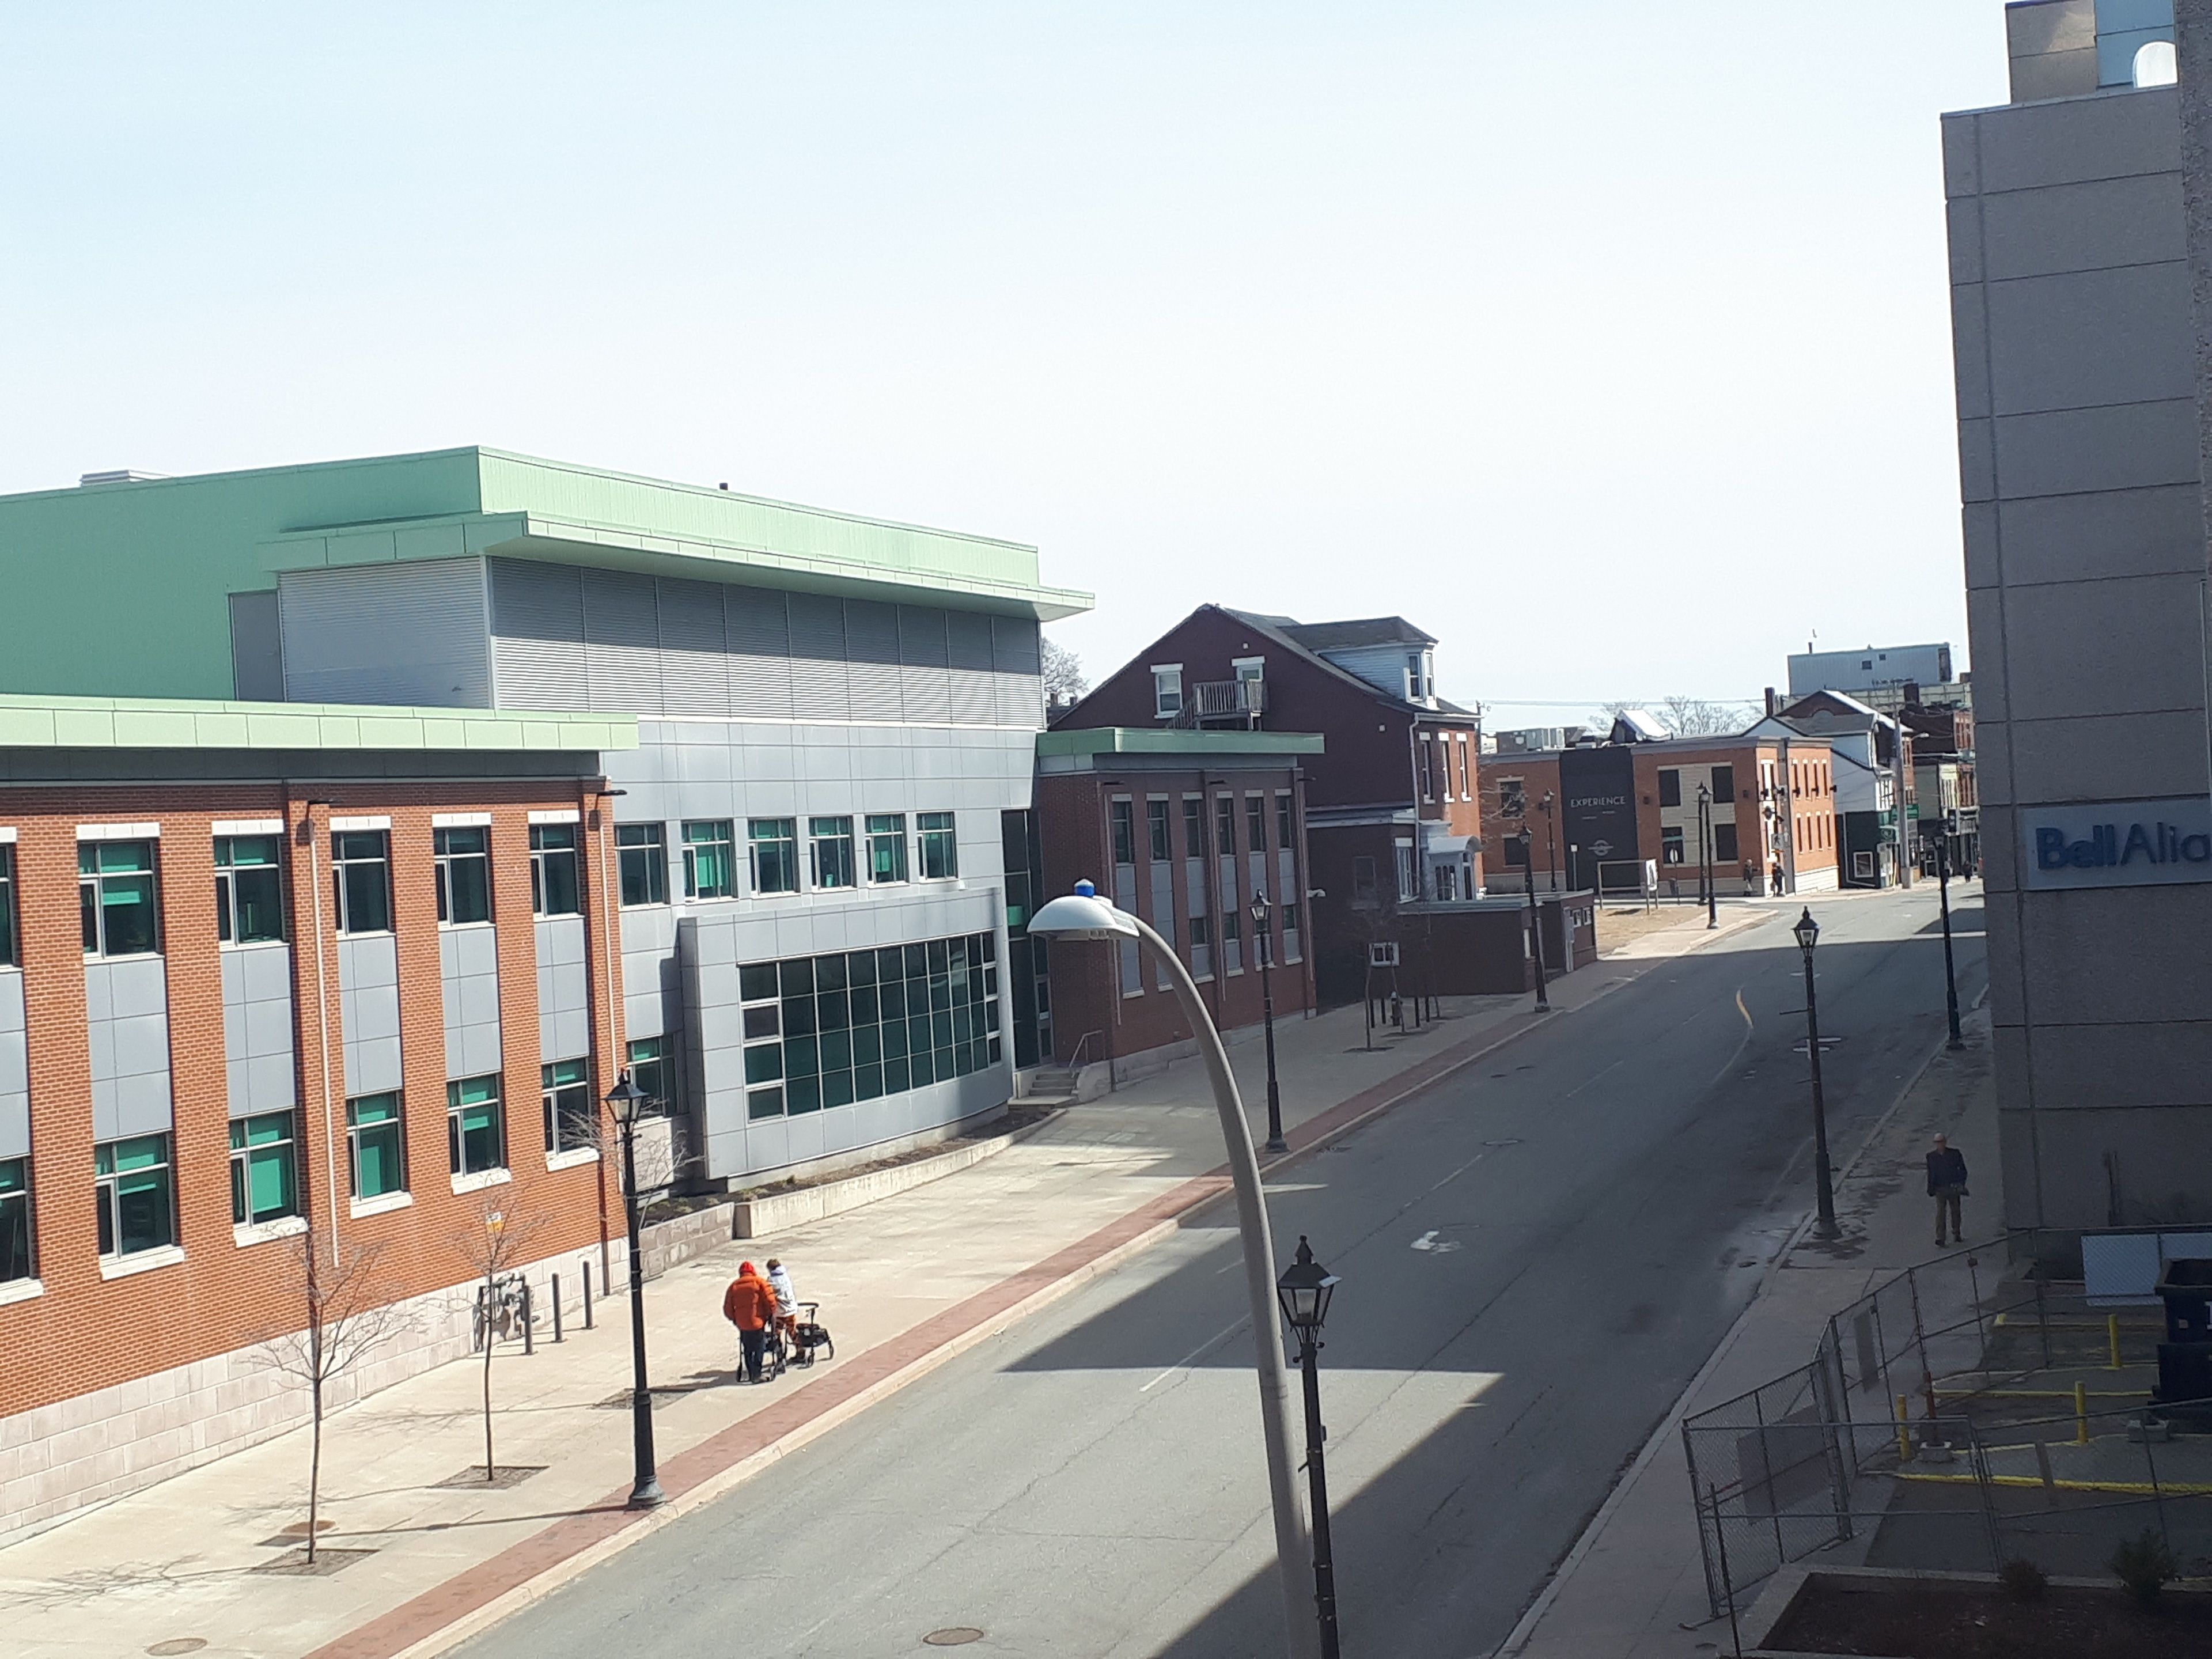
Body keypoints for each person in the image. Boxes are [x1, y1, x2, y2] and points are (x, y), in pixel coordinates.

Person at [722, 1259, 779, 1382]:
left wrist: (735, 1320)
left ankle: (750, 1372)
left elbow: (727, 1309)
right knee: (759, 1347)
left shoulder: (734, 1286)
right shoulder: (760, 1282)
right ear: (753, 1272)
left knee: (747, 1349)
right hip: (758, 1322)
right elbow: (771, 1301)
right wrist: (770, 1314)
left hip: (743, 1325)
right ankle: (757, 1375)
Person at [1927, 1133, 1969, 1246]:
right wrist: (1931, 1188)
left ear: (1945, 1142)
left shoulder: (1954, 1154)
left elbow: (1963, 1170)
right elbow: (1931, 1173)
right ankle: (1940, 1237)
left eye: (1941, 1142)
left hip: (1952, 1187)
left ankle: (1956, 1232)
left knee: (1955, 1211)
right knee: (1941, 1213)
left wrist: (1960, 1184)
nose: (1939, 1144)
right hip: (1940, 1188)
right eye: (1937, 1142)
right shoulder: (1931, 1157)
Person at [766, 1257, 798, 1343]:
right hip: (791, 1309)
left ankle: (779, 1350)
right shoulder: (785, 1276)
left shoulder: (771, 1281)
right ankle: (800, 1350)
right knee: (792, 1331)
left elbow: (768, 1294)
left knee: (777, 1331)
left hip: (780, 1311)